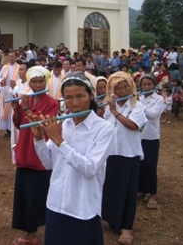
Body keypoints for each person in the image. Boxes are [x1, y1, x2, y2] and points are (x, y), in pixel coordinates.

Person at [30, 72, 114, 244]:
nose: (74, 103)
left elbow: (90, 169)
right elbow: (48, 164)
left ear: (91, 96)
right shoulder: (63, 124)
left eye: (80, 96)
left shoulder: (104, 128)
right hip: (56, 202)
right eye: (68, 97)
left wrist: (60, 141)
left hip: (83, 207)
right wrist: (39, 138)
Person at [10, 66, 60, 245]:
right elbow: (19, 124)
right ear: (29, 83)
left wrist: (25, 107)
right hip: (24, 148)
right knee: (24, 194)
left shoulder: (52, 102)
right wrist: (17, 109)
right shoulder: (27, 100)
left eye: (41, 81)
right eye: (34, 82)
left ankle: (34, 232)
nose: (38, 85)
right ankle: (29, 231)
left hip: (40, 151)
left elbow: (40, 124)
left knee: (37, 194)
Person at [102, 71, 147, 245]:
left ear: (131, 87)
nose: (122, 90)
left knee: (128, 191)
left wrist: (115, 112)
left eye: (125, 87)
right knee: (113, 189)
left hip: (129, 154)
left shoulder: (137, 106)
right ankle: (114, 221)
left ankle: (127, 227)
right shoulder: (110, 106)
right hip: (112, 154)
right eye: (117, 88)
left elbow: (134, 126)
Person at [138, 74, 165, 211]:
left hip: (151, 137)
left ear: (154, 85)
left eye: (149, 84)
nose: (146, 87)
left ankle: (152, 194)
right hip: (138, 136)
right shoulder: (140, 97)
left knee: (150, 165)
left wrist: (138, 105)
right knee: (140, 165)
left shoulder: (159, 99)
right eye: (144, 85)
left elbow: (153, 114)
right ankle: (142, 190)